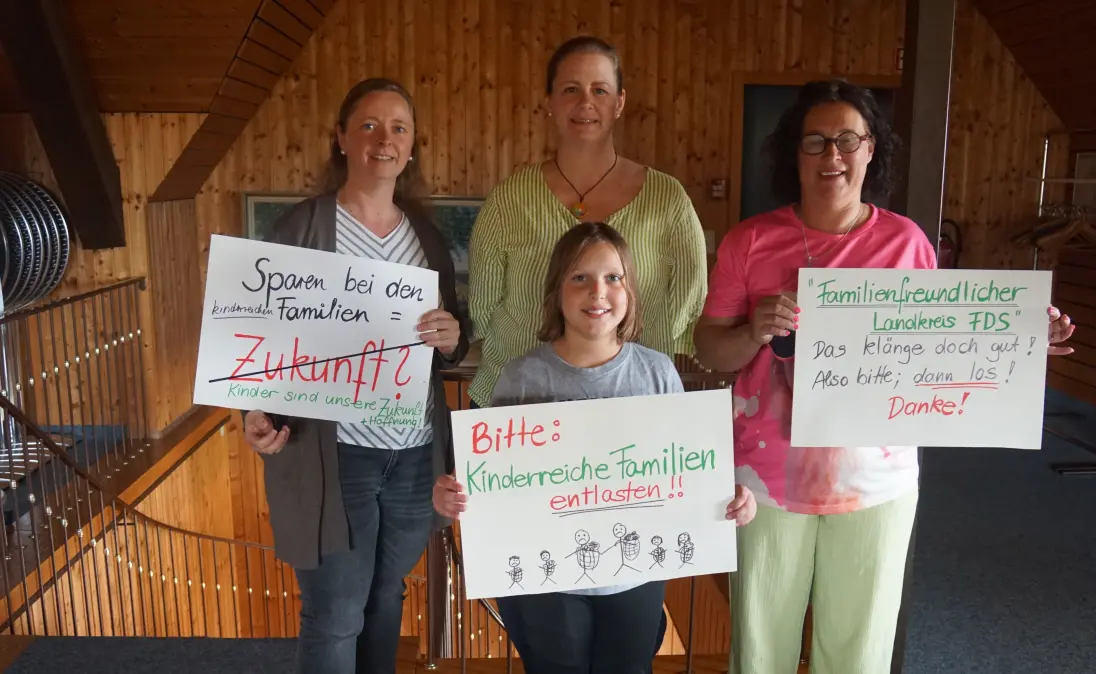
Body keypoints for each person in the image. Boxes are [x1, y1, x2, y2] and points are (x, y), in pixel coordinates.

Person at [692, 79, 1077, 674]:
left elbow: (942, 346)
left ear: (871, 150)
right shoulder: (751, 241)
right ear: (793, 152)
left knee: (860, 651)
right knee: (759, 648)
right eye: (815, 141)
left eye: (849, 139)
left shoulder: (905, 242)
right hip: (766, 479)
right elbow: (712, 351)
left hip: (877, 479)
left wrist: (1023, 340)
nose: (832, 156)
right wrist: (753, 331)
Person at [435, 222, 756, 674]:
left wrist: (730, 496)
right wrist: (453, 494)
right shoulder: (522, 377)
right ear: (556, 291)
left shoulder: (657, 374)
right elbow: (492, 482)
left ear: (629, 291)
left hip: (635, 575)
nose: (597, 292)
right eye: (579, 277)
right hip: (545, 581)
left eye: (613, 277)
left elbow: (687, 470)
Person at [241, 78, 469, 674]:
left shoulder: (425, 238)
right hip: (336, 455)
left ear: (413, 146)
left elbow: (448, 335)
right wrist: (259, 412)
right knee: (337, 611)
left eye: (398, 128)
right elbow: (265, 334)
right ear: (341, 138)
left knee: (385, 597)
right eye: (368, 125)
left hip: (415, 456)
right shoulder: (303, 228)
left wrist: (452, 336)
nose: (383, 140)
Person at [467, 35, 708, 412]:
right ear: (549, 101)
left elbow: (690, 306)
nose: (585, 103)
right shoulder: (509, 199)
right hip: (519, 409)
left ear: (619, 102)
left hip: (632, 407)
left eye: (599, 90)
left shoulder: (668, 200)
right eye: (570, 89)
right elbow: (481, 308)